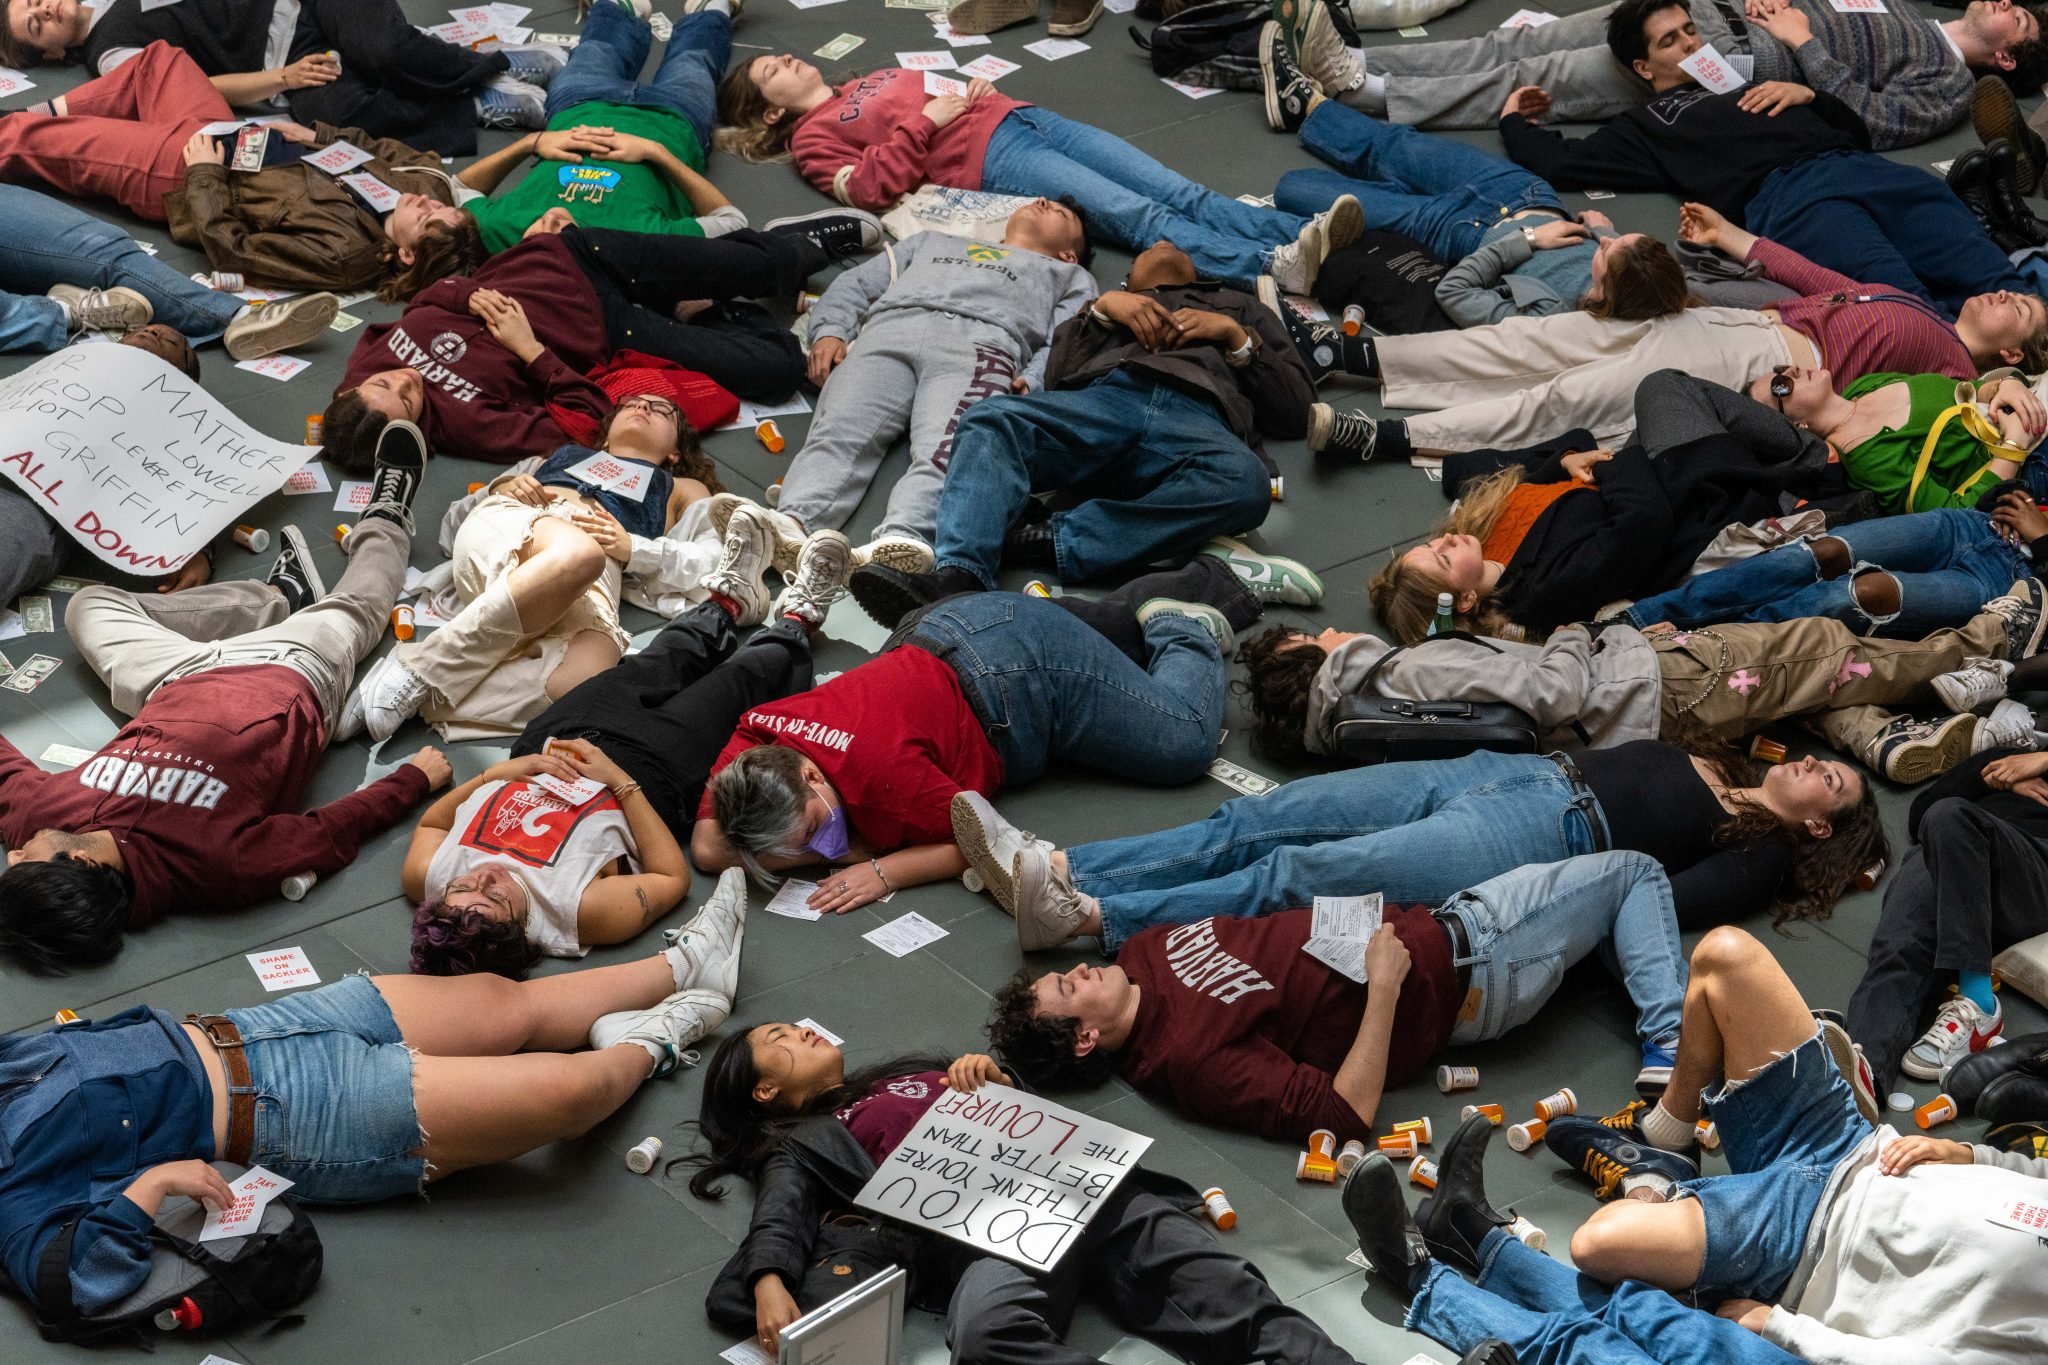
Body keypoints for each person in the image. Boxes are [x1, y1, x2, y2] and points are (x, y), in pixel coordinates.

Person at [0, 879, 746, 1320]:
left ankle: (686, 961)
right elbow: (66, 1276)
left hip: (254, 1027)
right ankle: (658, 1037)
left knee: (498, 1003)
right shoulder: (8, 1191)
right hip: (299, 1115)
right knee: (567, 1090)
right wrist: (150, 1186)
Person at [1349, 926, 2048, 1363]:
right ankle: (1658, 1150)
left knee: (1625, 1317)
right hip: (1858, 1154)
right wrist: (1975, 1154)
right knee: (1724, 956)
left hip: (1815, 1259)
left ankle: (1431, 1267)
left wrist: (1782, 1326)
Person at [0, 426, 438, 972]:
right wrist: (414, 779)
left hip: (174, 681)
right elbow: (324, 834)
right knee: (361, 606)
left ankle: (277, 597)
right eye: (21, 864)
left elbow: (4, 772)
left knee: (89, 607)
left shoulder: (37, 822)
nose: (12, 854)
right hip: (291, 672)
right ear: (83, 866)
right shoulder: (216, 867)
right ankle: (389, 515)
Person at [688, 1029, 1375, 1364]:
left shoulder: (907, 1072)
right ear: (765, 1092)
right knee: (986, 1336)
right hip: (994, 1234)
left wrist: (998, 1081)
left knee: (1232, 1293)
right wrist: (770, 1280)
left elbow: (1030, 1120)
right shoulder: (807, 1139)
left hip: (1084, 1190)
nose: (802, 1030)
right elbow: (778, 1210)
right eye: (779, 1038)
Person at [950, 733, 1884, 959]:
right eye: (1820, 759)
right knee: (1265, 816)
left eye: (1832, 782)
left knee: (1298, 873)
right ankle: (1065, 865)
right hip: (1509, 770)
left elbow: (1655, 903)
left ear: (1817, 827)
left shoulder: (1757, 850)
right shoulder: (1719, 760)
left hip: (1539, 831)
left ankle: (1094, 917)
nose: (1813, 764)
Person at [987, 851, 1690, 1141]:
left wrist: (992, 1063)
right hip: (1471, 961)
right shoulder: (1191, 1061)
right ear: (1084, 1038)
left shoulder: (1138, 954)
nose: (1076, 972)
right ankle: (1674, 1049)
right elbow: (1343, 1113)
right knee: (1636, 873)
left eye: (1065, 971)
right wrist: (1384, 987)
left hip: (1436, 919)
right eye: (1065, 988)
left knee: (1636, 912)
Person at [845, 239, 1320, 627]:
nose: (1160, 244)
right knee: (992, 418)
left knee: (1246, 485)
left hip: (1200, 418)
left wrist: (1234, 336)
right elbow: (1058, 377)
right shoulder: (1107, 307)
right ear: (1128, 279)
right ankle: (959, 577)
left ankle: (1054, 539)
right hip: (1104, 401)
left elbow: (1295, 407)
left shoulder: (1238, 305)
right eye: (1139, 258)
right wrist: (1101, 313)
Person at [1307, 228, 2048, 462]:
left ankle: (1387, 438)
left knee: (1577, 398)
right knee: (1540, 338)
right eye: (2017, 287)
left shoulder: (1957, 376)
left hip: (1769, 371)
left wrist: (2004, 395)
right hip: (1741, 323)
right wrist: (1738, 237)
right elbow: (1822, 277)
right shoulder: (1916, 303)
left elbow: (1979, 415)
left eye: (2024, 312)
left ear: (2015, 355)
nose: (2008, 293)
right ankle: (1361, 357)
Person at [691, 590, 1230, 912]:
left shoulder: (887, 787)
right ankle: (1110, 616)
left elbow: (983, 842)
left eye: (812, 829)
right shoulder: (756, 738)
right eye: (796, 847)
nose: (819, 847)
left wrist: (881, 869)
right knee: (1112, 638)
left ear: (810, 773)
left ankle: (1179, 625)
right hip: (943, 628)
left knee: (1183, 742)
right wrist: (822, 846)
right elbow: (711, 849)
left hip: (1018, 671)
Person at [1489, 0, 2035, 316]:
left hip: (1865, 169)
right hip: (1790, 200)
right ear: (1644, 68)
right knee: (1902, 301)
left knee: (2001, 284)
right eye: (1668, 42)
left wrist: (1812, 97)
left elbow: (1861, 131)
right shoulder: (1651, 123)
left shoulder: (1759, 78)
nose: (1688, 44)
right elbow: (1562, 164)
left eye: (1689, 30)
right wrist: (1515, 117)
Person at [340, 395, 815, 743]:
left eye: (663, 411)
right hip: (522, 528)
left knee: (586, 685)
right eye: (634, 403)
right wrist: (501, 489)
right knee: (579, 554)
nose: (645, 408)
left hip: (599, 575)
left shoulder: (681, 486)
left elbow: (715, 560)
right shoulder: (557, 457)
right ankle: (420, 667)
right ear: (606, 433)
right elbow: (451, 531)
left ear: (675, 451)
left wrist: (636, 550)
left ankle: (415, 690)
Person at [1239, 580, 2046, 784]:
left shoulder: (1363, 737)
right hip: (1658, 683)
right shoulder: (1403, 667)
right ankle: (1985, 645)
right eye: (1321, 635)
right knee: (1824, 648)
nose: (1338, 631)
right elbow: (1550, 692)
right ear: (1312, 658)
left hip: (1628, 732)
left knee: (1808, 689)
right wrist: (1576, 634)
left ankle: (1894, 733)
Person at [402, 600, 813, 978]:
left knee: (657, 661)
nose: (484, 877)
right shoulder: (577, 913)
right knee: (736, 685)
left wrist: (501, 773)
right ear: (518, 931)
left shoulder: (429, 879)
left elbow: (433, 825)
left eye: (464, 886)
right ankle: (796, 623)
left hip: (557, 741)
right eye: (494, 897)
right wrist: (620, 782)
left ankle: (726, 603)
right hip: (652, 772)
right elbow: (671, 877)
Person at [714, 56, 1364, 292]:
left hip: (1019, 116)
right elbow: (870, 188)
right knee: (1142, 216)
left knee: (1176, 188)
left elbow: (928, 90)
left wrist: (959, 88)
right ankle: (1272, 265)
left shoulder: (863, 78)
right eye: (773, 68)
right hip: (990, 159)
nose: (789, 57)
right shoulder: (811, 140)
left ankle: (1303, 233)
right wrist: (929, 121)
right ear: (770, 108)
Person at [325, 220, 865, 471]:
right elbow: (586, 425)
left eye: (384, 380)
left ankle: (795, 244)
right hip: (607, 331)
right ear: (417, 428)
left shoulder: (364, 370)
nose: (405, 377)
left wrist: (468, 299)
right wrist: (530, 350)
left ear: (354, 387)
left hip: (570, 257)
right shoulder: (470, 427)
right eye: (409, 398)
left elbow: (428, 298)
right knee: (778, 369)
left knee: (761, 265)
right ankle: (702, 308)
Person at [1362, 369, 1841, 642]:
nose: (1446, 538)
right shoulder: (1538, 593)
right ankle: (1817, 460)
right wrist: (1607, 464)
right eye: (1444, 557)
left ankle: (1793, 452)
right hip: (1685, 500)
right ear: (1465, 599)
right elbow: (1643, 522)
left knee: (1717, 402)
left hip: (1635, 473)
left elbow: (1480, 467)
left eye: (1432, 543)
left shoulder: (1478, 530)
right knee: (1662, 385)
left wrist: (1568, 460)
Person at [1265, 52, 1692, 331]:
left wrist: (1526, 241)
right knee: (1398, 146)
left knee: (1296, 191)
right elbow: (1623, 255)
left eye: (1607, 252)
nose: (1607, 241)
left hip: (1461, 232)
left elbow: (1455, 293)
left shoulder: (1560, 317)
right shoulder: (1638, 274)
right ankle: (1305, 104)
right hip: (1522, 192)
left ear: (1602, 292)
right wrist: (1605, 231)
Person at [772, 199, 1095, 558]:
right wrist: (830, 331)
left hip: (983, 345)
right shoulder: (930, 240)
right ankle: (792, 523)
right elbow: (855, 284)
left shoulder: (1070, 276)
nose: (1042, 202)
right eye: (1043, 200)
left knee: (947, 454)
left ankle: (901, 542)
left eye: (1060, 214)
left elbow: (1069, 337)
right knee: (836, 433)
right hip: (888, 330)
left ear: (1069, 254)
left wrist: (1034, 378)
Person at [1277, 0, 2048, 151]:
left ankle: (1362, 97)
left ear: (2009, 57)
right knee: (1512, 42)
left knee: (1550, 68)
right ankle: (1360, 66)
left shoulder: (1952, 86)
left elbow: (1873, 125)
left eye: (2022, 17)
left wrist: (1805, 45)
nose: (2008, 2)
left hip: (1731, 63)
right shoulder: (1917, 12)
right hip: (1710, 15)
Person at [0, 0, 554, 155]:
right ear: (48, 56)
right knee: (333, 117)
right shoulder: (111, 53)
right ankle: (477, 104)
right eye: (34, 25)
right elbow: (195, 88)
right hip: (287, 60)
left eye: (32, 1)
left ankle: (496, 65)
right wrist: (280, 76)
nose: (43, 9)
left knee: (383, 46)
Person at [453, 2, 746, 258]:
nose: (552, 217)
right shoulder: (635, 245)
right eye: (563, 234)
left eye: (534, 235)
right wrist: (656, 153)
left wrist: (532, 142)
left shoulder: (500, 230)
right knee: (693, 60)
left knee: (596, 49)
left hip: (582, 104)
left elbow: (458, 189)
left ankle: (621, 7)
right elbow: (733, 223)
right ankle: (712, 11)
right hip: (674, 118)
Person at [1846, 742, 2048, 1090]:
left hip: (2033, 869)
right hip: (1959, 855)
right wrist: (1995, 780)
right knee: (1900, 946)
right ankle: (1857, 1081)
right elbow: (1922, 812)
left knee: (1951, 816)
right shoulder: (2006, 756)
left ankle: (1978, 997)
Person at [1619, 502, 2045, 642]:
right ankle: (1633, 619)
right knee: (1821, 552)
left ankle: (1694, 645)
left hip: (2008, 582)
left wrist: (2042, 541)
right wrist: (2013, 497)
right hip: (1974, 525)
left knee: (1863, 594)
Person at [1701, 357, 2046, 518]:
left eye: (1779, 369)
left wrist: (2006, 385)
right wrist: (2012, 449)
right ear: (1795, 426)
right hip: (2033, 462)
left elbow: (1969, 390)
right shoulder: (1867, 460)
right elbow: (1956, 512)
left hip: (2035, 399)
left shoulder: (1865, 385)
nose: (1788, 371)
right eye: (1781, 386)